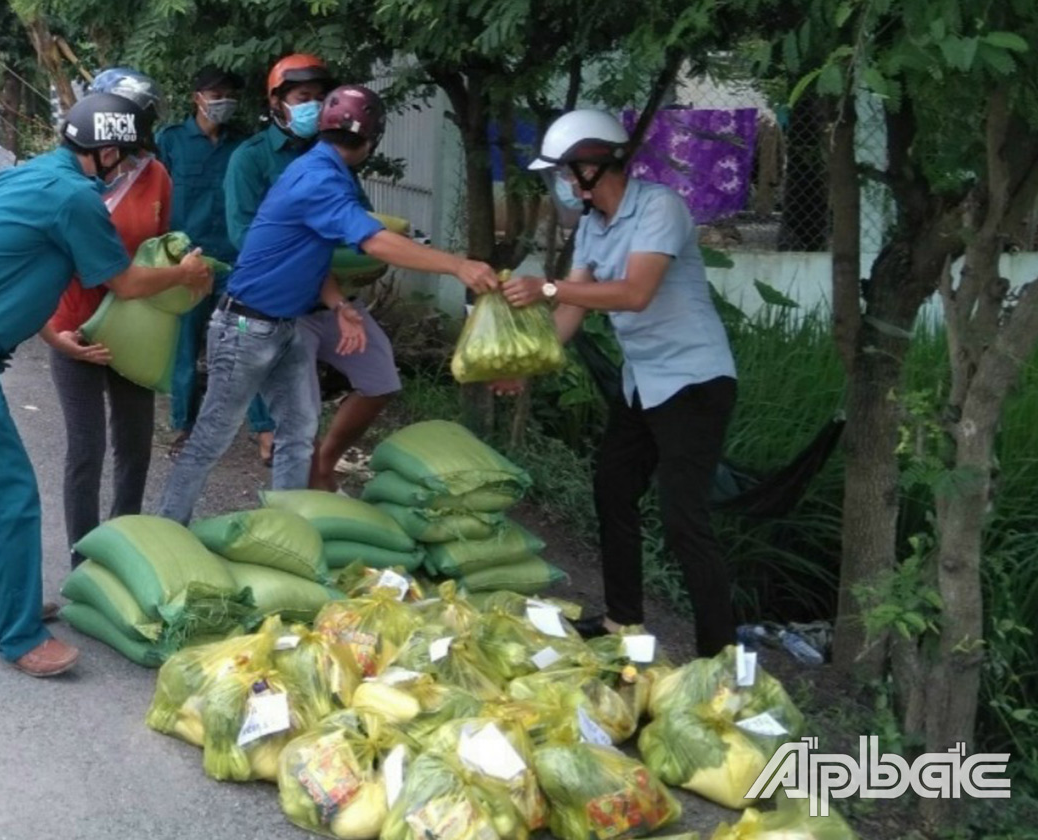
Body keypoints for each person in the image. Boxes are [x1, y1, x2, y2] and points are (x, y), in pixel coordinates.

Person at [0, 93, 213, 677]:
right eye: (124, 158)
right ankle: (20, 639)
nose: (126, 169)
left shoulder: (29, 175)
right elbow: (123, 282)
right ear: (108, 150)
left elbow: (17, 265)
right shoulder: (74, 196)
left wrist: (49, 332)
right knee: (13, 490)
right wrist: (186, 273)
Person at [158, 85, 498, 524]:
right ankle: (167, 527)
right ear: (372, 142)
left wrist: (338, 304)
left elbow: (306, 256)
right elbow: (374, 240)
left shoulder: (321, 170)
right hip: (245, 327)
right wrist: (458, 266)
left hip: (285, 326)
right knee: (210, 440)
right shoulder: (319, 177)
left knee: (298, 435)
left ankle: (288, 529)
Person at [501, 109, 739, 658]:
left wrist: (550, 289)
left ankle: (719, 659)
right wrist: (525, 368)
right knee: (612, 489)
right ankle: (621, 622)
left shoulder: (660, 208)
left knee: (684, 522)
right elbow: (568, 316)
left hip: (694, 382)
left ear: (591, 165)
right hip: (644, 383)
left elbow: (634, 293)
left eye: (562, 172)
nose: (558, 184)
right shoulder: (591, 226)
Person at [225, 54, 405, 491]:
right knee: (298, 421)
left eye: (321, 99)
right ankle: (302, 512)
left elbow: (357, 222)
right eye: (303, 97)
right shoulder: (249, 160)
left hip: (334, 300)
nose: (314, 106)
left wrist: (363, 255)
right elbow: (245, 239)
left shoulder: (334, 156)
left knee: (381, 380)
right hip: (282, 308)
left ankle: (325, 463)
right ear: (277, 102)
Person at [43, 68, 178, 570]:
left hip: (132, 329)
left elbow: (155, 252)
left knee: (135, 445)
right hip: (73, 327)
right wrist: (53, 332)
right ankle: (83, 558)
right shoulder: (70, 176)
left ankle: (122, 547)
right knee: (86, 451)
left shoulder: (156, 175)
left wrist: (186, 274)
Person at [157, 66, 277, 463]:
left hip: (236, 267)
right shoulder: (171, 141)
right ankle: (185, 428)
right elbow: (154, 195)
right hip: (188, 266)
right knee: (186, 349)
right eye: (216, 93)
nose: (224, 100)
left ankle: (266, 432)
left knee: (247, 343)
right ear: (197, 97)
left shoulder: (244, 147)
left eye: (230, 93)